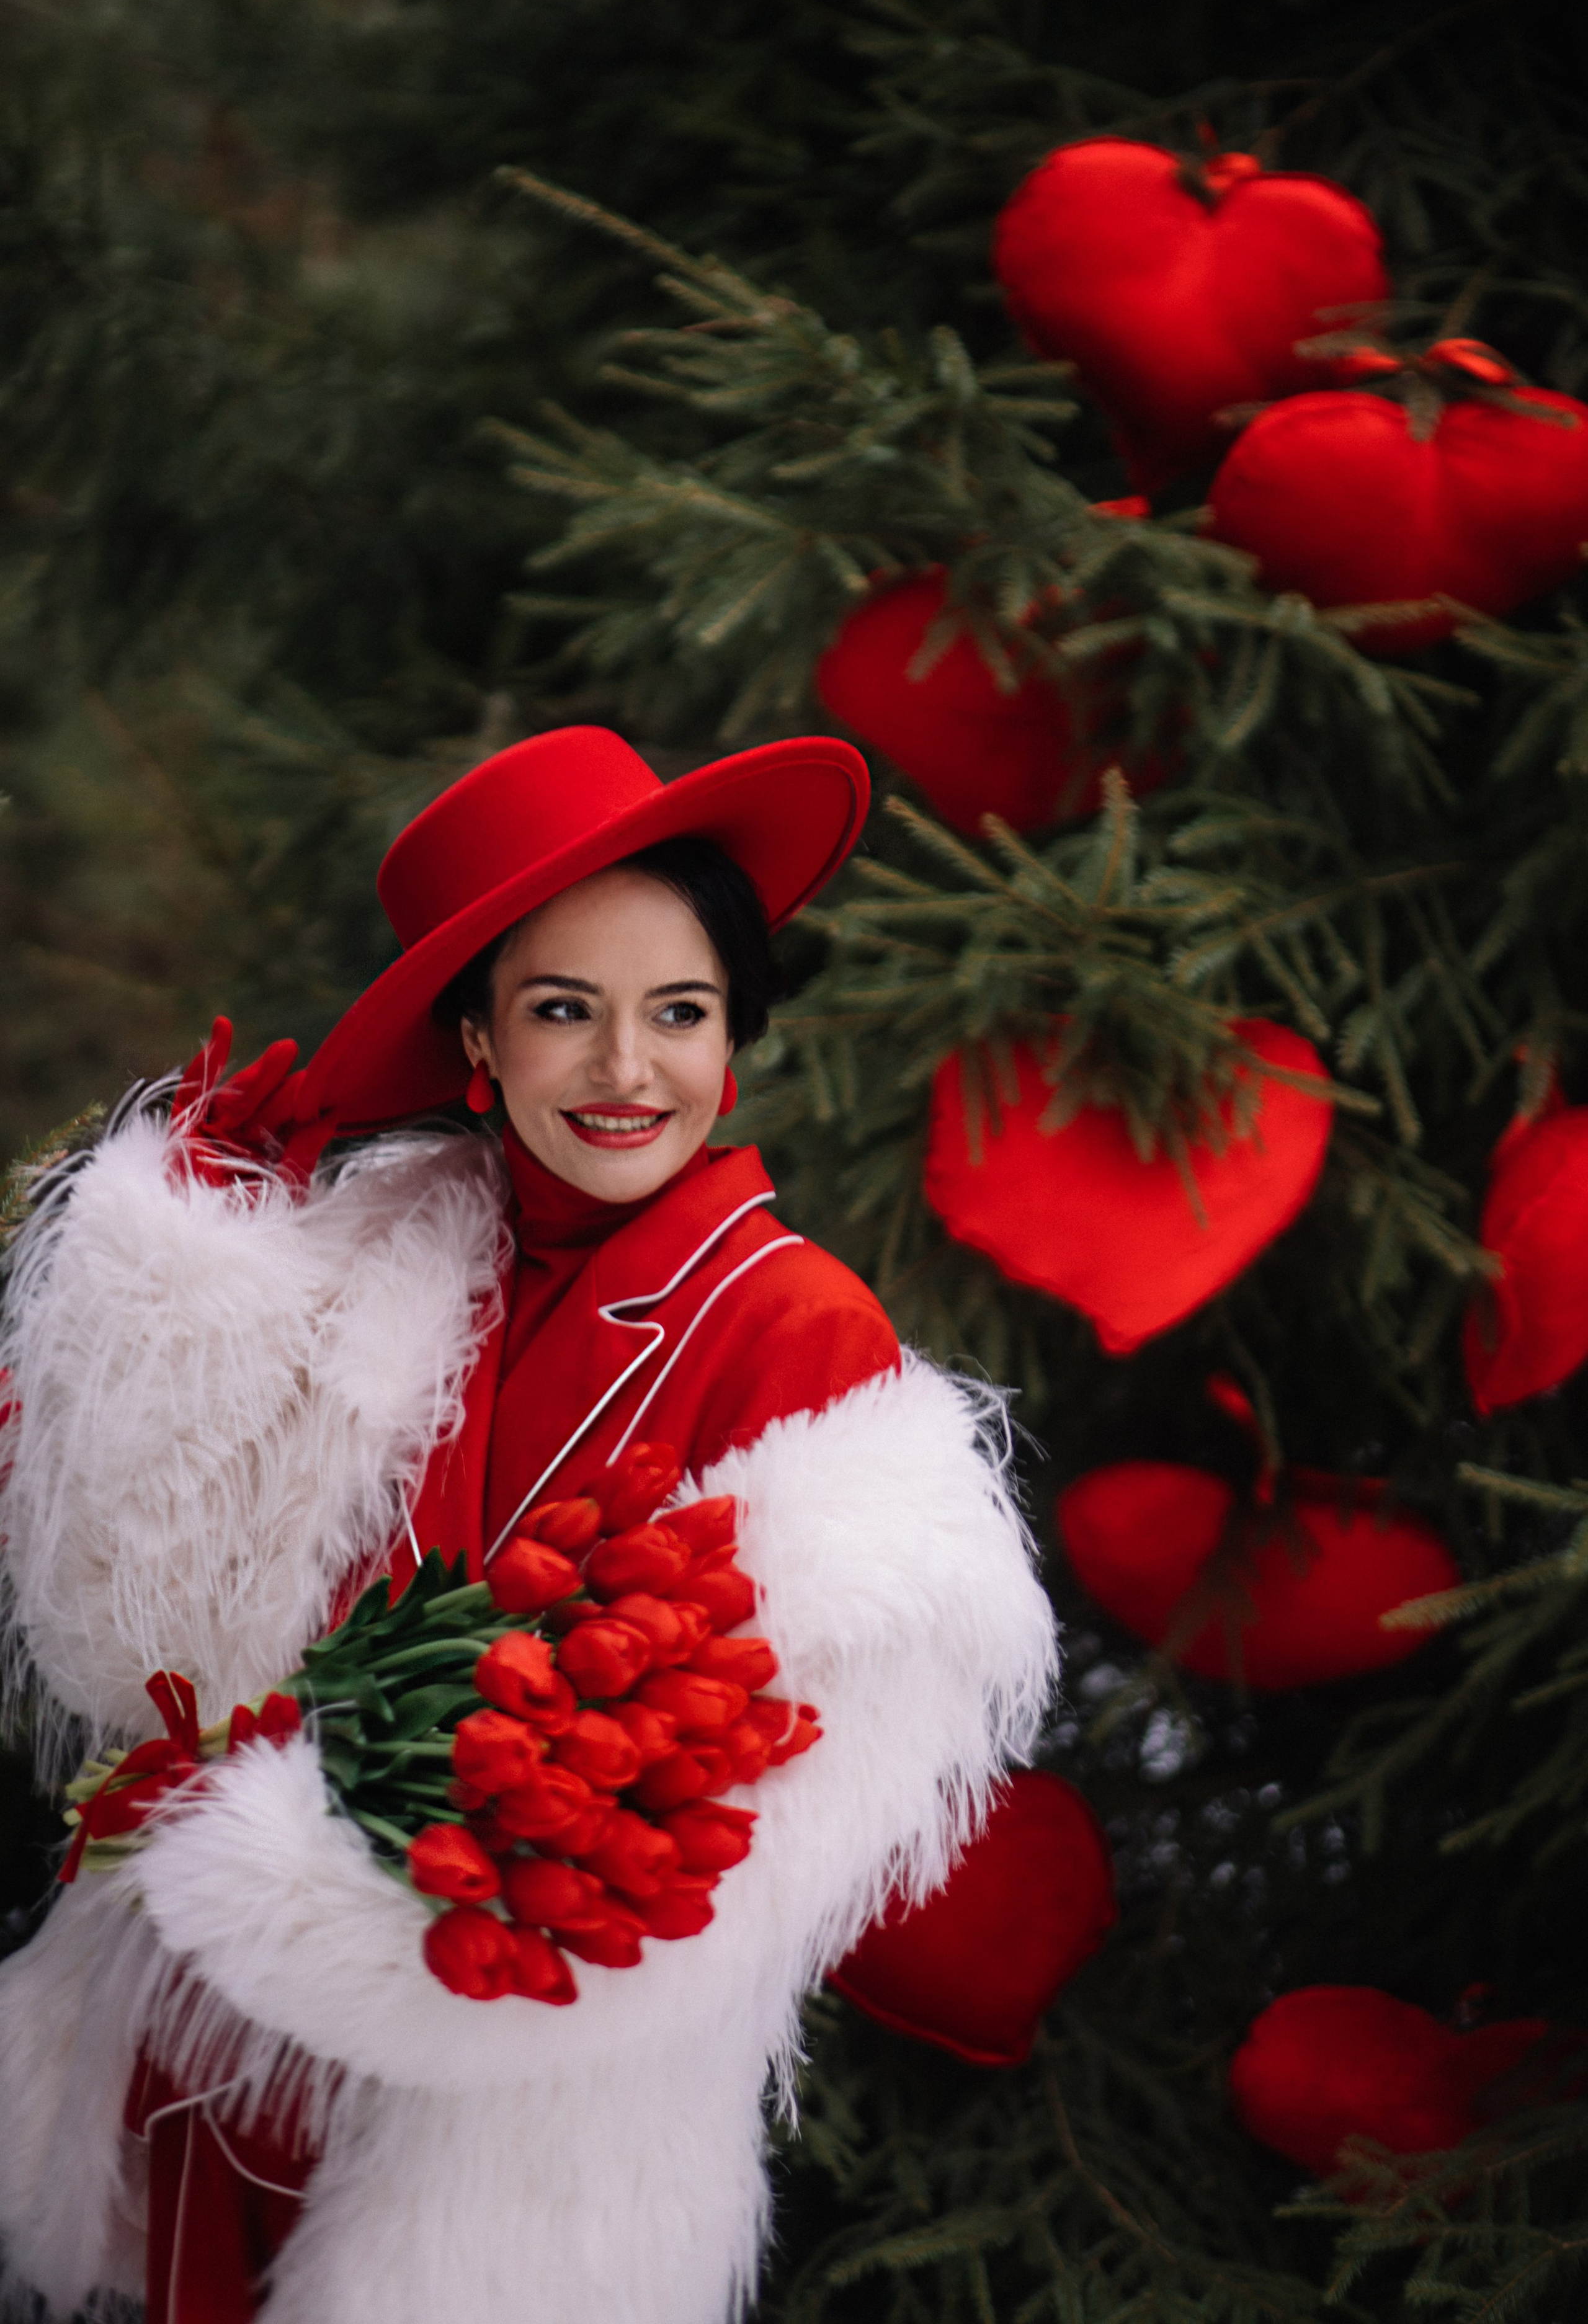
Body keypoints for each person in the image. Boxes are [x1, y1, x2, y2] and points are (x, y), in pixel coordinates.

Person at [0, 724, 1056, 2324]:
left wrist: (373, 1917)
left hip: (495, 2093)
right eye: (566, 1011)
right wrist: (183, 1310)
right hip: (201, 2039)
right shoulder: (382, 1247)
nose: (629, 1073)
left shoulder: (799, 1334)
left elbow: (736, 1808)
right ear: (481, 1044)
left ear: (734, 1033)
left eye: (679, 1014)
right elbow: (139, 1621)